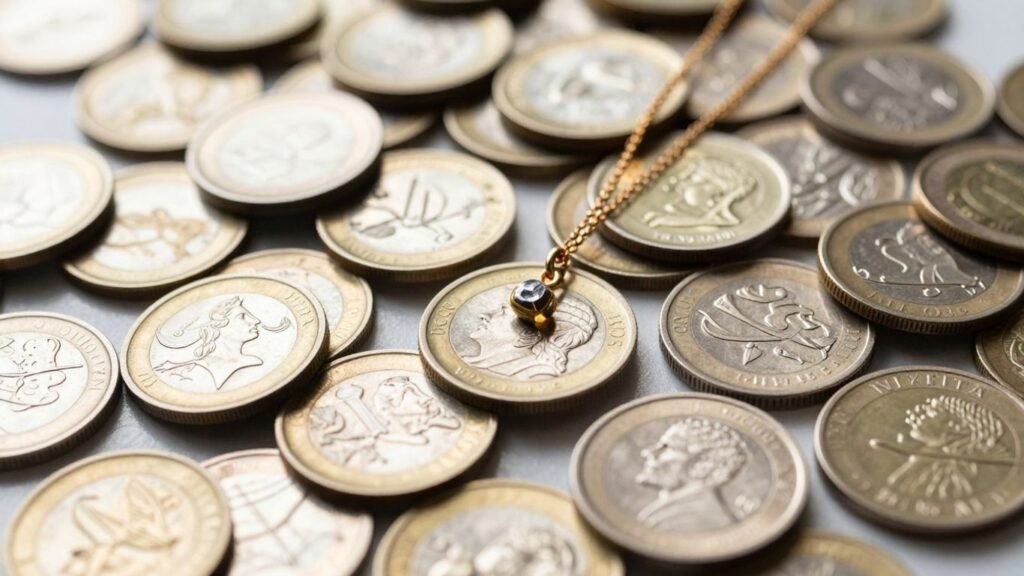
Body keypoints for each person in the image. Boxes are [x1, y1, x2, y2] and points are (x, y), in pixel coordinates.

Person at [152, 296, 291, 391]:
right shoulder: (186, 371)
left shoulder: (253, 360)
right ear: (218, 326)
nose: (255, 320)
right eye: (242, 316)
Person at [463, 295, 598, 379]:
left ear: (528, 336)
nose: (485, 315)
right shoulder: (470, 361)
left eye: (503, 312)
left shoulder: (536, 375)